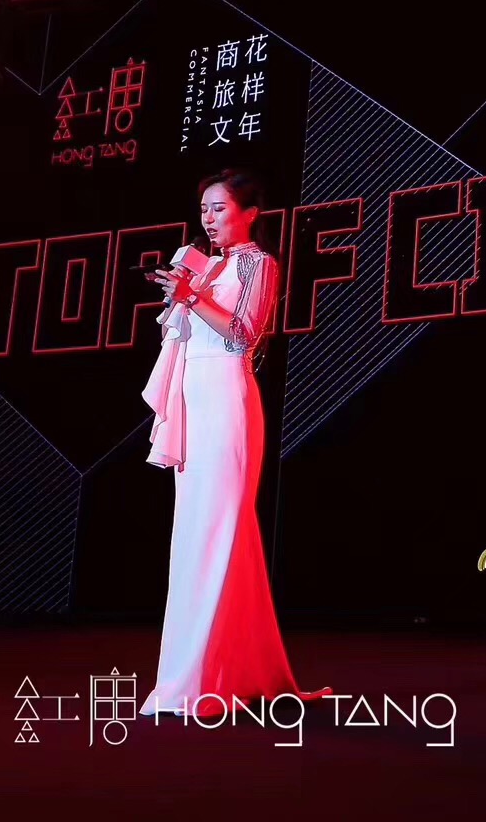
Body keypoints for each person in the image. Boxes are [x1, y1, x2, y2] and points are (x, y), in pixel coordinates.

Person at [139, 169, 322, 717]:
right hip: (191, 402)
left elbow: (245, 333)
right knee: (195, 536)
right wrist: (181, 296)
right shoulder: (202, 263)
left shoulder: (257, 263)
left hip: (225, 401)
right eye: (204, 209)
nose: (209, 217)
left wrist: (192, 296)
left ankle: (205, 677)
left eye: (219, 208)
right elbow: (173, 334)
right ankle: (218, 671)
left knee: (219, 530)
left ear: (249, 213)